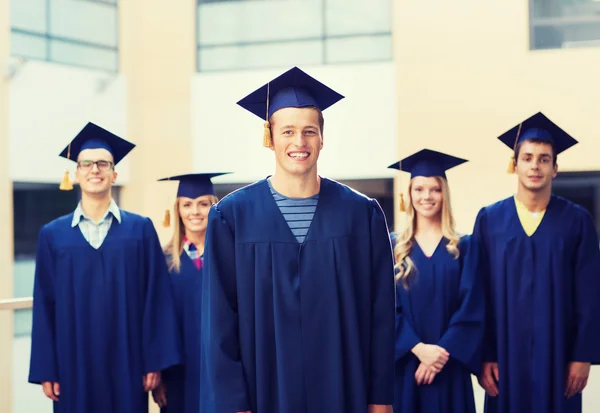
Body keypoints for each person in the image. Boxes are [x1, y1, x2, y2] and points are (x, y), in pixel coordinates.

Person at [200, 66, 395, 413]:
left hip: (343, 387)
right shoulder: (232, 217)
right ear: (270, 138)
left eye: (309, 131)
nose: (299, 142)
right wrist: (232, 402)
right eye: (287, 131)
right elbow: (219, 322)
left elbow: (380, 315)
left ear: (323, 138)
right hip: (262, 392)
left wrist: (380, 397)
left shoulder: (361, 215)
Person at [28, 122, 181, 413]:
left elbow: (156, 298)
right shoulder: (52, 234)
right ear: (76, 174)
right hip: (72, 361)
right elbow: (44, 303)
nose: (94, 170)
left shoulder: (140, 229)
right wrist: (47, 367)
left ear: (114, 174)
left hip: (129, 359)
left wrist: (154, 360)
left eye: (103, 163)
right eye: (86, 164)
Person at [474, 112, 600, 413]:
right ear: (514, 165)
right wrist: (484, 354)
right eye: (528, 157)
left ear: (555, 168)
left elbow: (590, 293)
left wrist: (582, 356)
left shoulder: (577, 221)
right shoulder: (490, 220)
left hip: (559, 354)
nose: (535, 165)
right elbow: (479, 293)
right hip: (504, 355)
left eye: (544, 159)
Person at [389, 149, 484, 413]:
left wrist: (440, 354)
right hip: (408, 367)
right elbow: (383, 306)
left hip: (449, 366)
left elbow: (472, 306)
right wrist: (418, 349)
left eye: (434, 189)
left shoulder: (464, 247)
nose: (426, 197)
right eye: (419, 189)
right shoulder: (394, 247)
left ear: (445, 194)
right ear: (408, 194)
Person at [152, 173, 229, 413]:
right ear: (177, 211)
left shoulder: (231, 257)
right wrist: (160, 374)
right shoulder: (163, 261)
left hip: (222, 368)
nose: (195, 211)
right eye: (187, 205)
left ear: (214, 208)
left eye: (203, 204)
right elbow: (156, 322)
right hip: (178, 371)